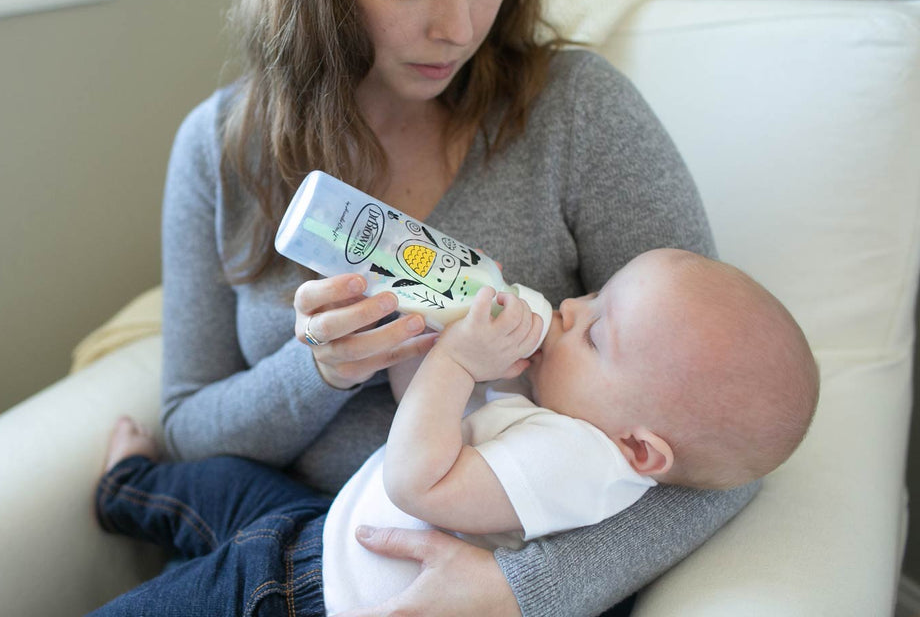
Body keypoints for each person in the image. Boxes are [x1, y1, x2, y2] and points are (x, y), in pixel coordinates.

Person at [155, 0, 761, 614]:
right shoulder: (224, 146)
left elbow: (723, 442)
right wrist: (320, 370)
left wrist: (521, 589)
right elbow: (188, 427)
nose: (459, 28)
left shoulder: (577, 115)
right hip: (285, 545)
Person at [91, 248, 819, 616]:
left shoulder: (578, 465)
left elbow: (421, 479)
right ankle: (131, 488)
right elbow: (428, 416)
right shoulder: (570, 413)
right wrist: (427, 328)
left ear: (640, 449)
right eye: (595, 293)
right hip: (323, 529)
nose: (571, 307)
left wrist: (461, 358)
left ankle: (129, 491)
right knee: (218, 487)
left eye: (596, 332)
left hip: (303, 594)